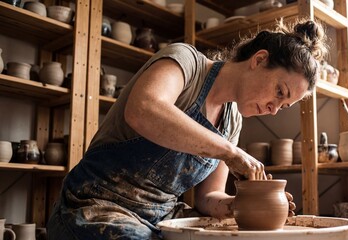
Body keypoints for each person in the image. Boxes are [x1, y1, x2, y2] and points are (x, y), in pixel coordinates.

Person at [47, 18, 327, 239]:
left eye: (284, 106)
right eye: (279, 91)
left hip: (162, 215)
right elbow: (143, 109)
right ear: (259, 60)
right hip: (96, 205)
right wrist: (229, 151)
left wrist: (238, 205)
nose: (274, 108)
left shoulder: (232, 121)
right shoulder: (187, 63)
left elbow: (207, 197)